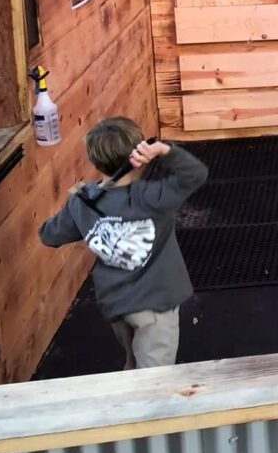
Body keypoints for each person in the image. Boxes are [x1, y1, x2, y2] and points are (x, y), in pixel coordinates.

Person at [38, 117, 207, 370]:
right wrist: (165, 151)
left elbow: (49, 235)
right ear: (139, 156)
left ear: (94, 159)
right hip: (155, 304)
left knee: (134, 362)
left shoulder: (82, 201)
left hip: (116, 304)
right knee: (154, 377)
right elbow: (195, 174)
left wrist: (78, 209)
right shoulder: (152, 196)